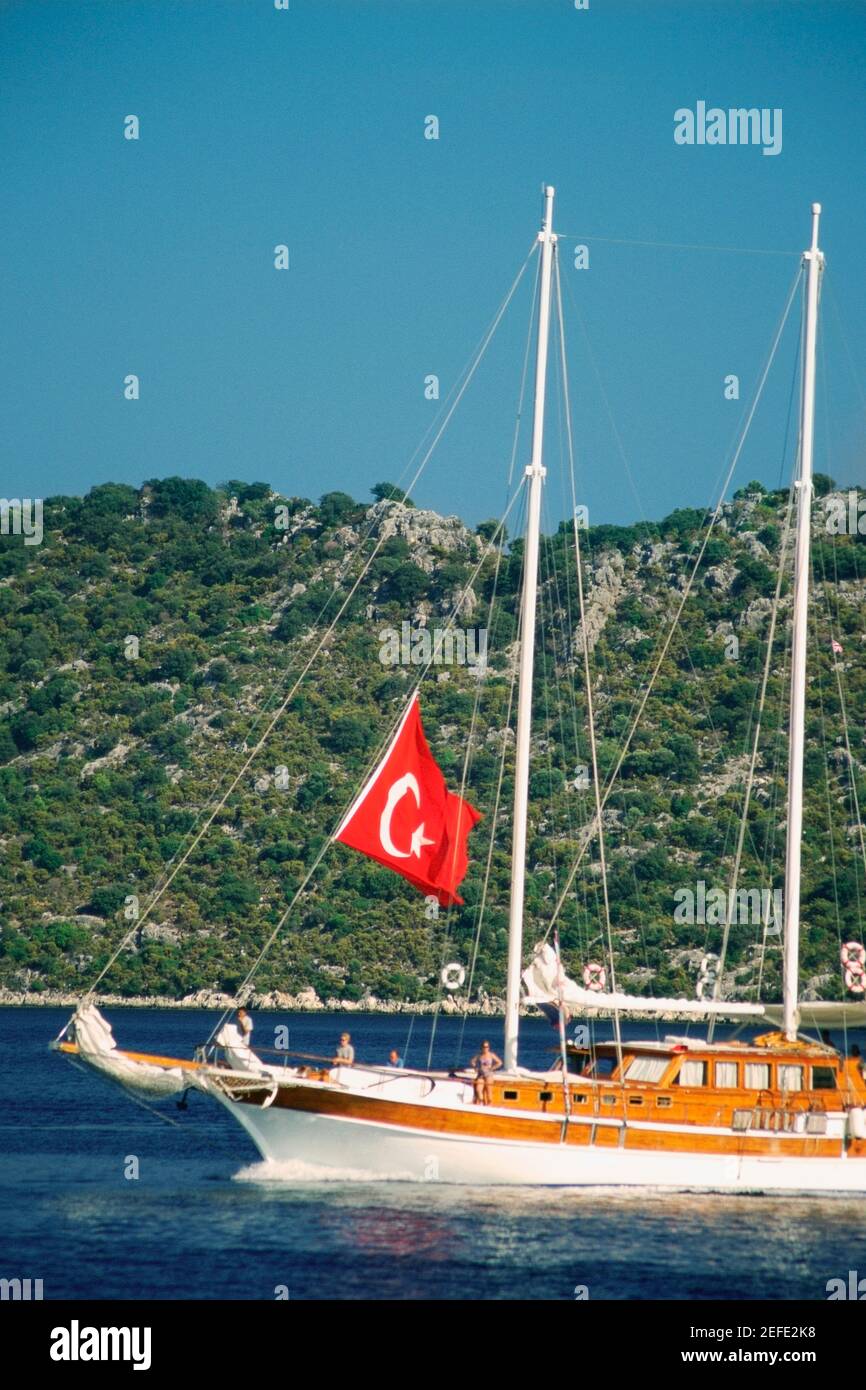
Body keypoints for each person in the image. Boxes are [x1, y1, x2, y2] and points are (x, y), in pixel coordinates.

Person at [470, 1039, 502, 1105]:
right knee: (478, 1089)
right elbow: (472, 1061)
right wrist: (475, 1067)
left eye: (487, 1047)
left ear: (489, 1047)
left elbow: (499, 1062)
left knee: (489, 1091)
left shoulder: (491, 1055)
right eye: (484, 1047)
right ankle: (481, 1102)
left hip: (489, 1074)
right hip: (481, 1075)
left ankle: (489, 1105)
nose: (485, 1048)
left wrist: (492, 1068)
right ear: (481, 1047)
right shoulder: (479, 1055)